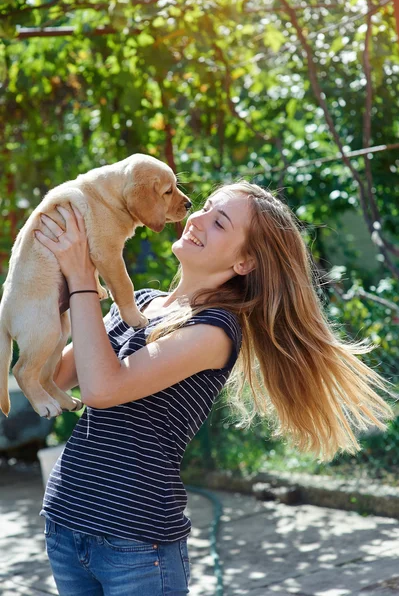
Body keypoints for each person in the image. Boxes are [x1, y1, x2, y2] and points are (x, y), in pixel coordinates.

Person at [34, 180, 396, 596]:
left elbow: (101, 388)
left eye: (219, 221)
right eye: (204, 207)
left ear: (245, 261)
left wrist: (83, 275)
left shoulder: (214, 329)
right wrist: (58, 287)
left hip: (134, 542)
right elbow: (54, 378)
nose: (196, 219)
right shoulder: (141, 303)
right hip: (66, 519)